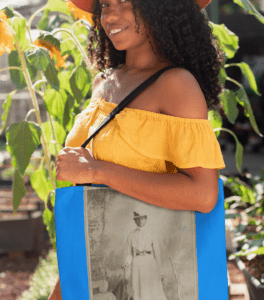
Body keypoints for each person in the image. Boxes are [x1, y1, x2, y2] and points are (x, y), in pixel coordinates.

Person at [50, 0, 226, 299]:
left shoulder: (176, 85)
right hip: (100, 262)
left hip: (153, 269)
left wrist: (97, 170)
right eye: (105, 4)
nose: (111, 15)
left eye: (126, 3)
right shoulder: (104, 81)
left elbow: (203, 194)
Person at [122, 210, 166, 300]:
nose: (141, 220)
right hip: (137, 265)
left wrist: (161, 271)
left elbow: (157, 252)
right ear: (135, 221)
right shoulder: (131, 235)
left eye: (142, 218)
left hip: (150, 263)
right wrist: (127, 262)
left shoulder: (152, 233)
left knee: (152, 290)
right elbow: (129, 254)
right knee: (138, 291)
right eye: (138, 219)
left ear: (145, 219)